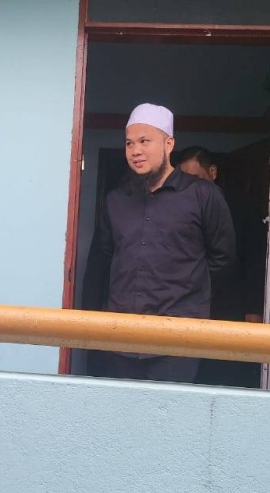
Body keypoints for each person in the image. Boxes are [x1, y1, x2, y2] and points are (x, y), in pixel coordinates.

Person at [89, 104, 236, 383]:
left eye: (145, 141)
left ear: (169, 144)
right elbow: (104, 260)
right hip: (121, 335)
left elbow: (223, 258)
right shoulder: (116, 200)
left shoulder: (202, 195)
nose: (135, 151)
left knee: (169, 410)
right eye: (130, 143)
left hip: (178, 339)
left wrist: (185, 295)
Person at [176, 146, 263, 388]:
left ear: (212, 172)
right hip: (190, 306)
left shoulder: (240, 208)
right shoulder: (176, 208)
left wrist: (254, 310)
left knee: (227, 372)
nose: (191, 186)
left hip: (231, 303)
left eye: (196, 178)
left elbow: (254, 261)